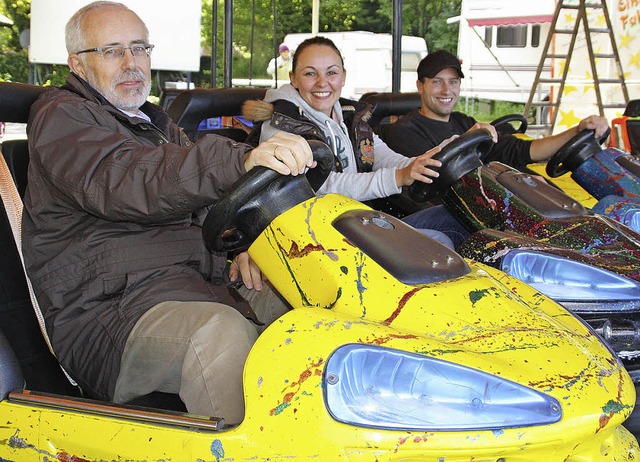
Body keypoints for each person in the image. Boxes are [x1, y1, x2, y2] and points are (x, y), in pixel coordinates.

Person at [22, 1, 315, 425]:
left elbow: (206, 199)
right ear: (78, 66)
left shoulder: (156, 125)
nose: (130, 62)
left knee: (311, 299)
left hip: (198, 283)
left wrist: (248, 246)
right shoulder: (61, 118)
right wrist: (239, 160)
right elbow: (126, 179)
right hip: (110, 315)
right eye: (112, 50)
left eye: (139, 48)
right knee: (219, 334)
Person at [243, 36, 467, 248]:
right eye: (310, 74)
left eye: (331, 73)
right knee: (438, 242)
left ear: (343, 76)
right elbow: (322, 186)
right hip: (318, 238)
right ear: (293, 78)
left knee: (458, 217)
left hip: (357, 223)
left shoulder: (350, 116)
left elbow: (384, 157)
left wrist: (427, 159)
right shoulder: (281, 124)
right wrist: (398, 177)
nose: (323, 83)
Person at [382, 49, 610, 170]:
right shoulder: (403, 132)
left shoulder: (463, 122)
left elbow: (522, 150)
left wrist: (576, 131)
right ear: (420, 86)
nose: (446, 90)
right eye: (436, 81)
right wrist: (467, 139)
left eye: (453, 82)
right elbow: (433, 178)